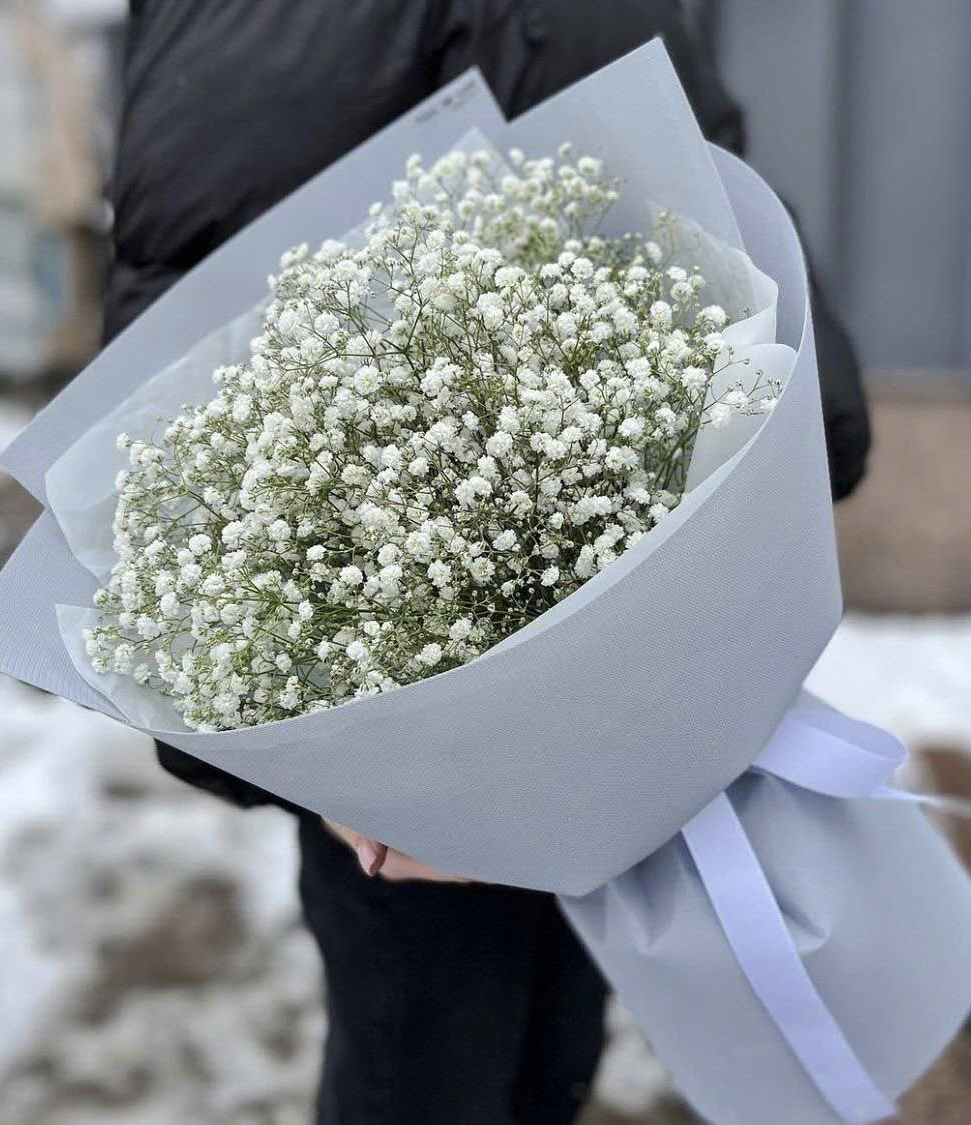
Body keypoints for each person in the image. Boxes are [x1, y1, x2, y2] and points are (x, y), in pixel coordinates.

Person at [102, 4, 870, 1121]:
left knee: (531, 1049)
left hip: (557, 693)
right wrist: (291, 738)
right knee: (443, 1060)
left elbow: (709, 190)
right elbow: (192, 280)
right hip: (406, 730)